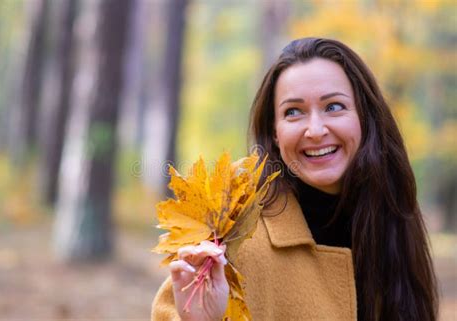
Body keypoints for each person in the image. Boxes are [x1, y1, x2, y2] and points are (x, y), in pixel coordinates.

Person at [151, 37, 439, 321]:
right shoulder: (235, 234)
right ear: (275, 132)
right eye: (293, 112)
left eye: (334, 106)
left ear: (365, 116)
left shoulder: (389, 215)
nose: (315, 130)